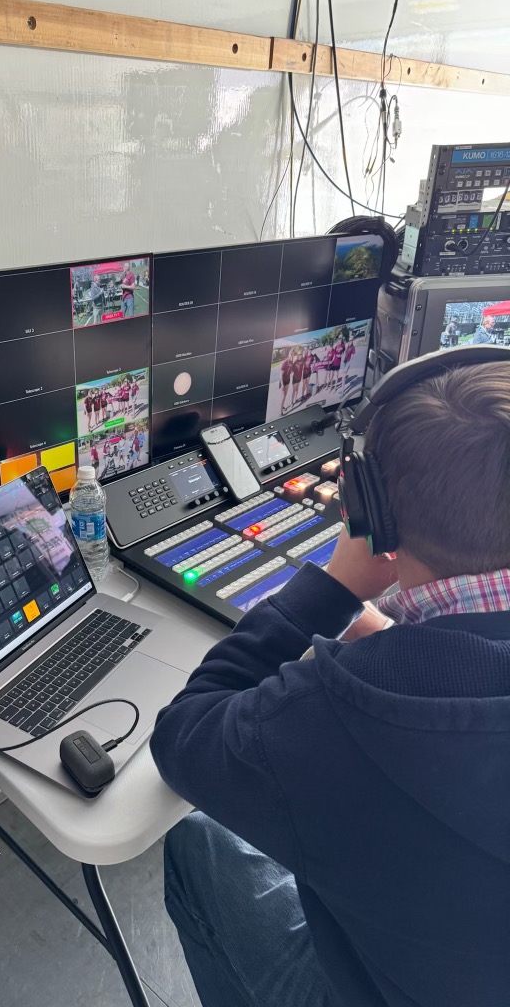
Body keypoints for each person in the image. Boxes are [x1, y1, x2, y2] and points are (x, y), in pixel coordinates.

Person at [152, 360, 510, 1007]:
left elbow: (186, 737)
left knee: (198, 841)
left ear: (370, 510)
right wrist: (397, 641)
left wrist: (333, 587)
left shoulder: (330, 716)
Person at [279, 350, 294, 415]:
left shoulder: (291, 362)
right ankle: (280, 412)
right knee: (283, 396)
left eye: (293, 354)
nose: (292, 355)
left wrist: (291, 372)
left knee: (285, 395)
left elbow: (290, 371)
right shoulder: (285, 362)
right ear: (288, 354)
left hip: (288, 380)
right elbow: (281, 374)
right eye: (291, 354)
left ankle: (283, 406)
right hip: (283, 381)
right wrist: (282, 384)